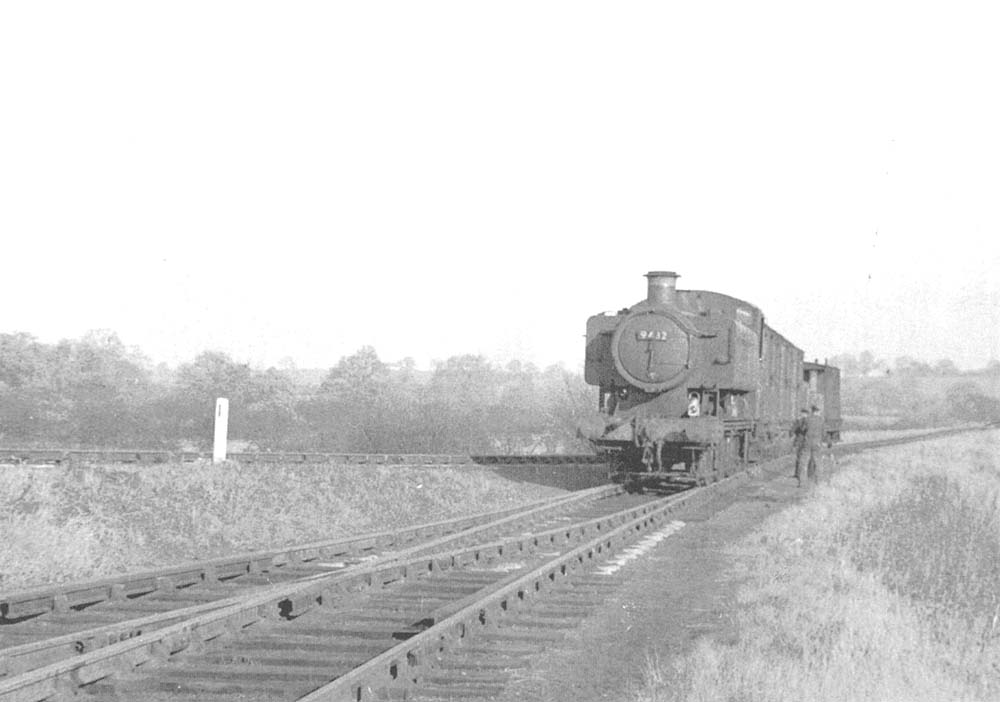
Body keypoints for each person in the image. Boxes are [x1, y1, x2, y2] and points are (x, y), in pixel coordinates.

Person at [804, 405, 825, 484]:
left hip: (808, 442)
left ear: (812, 411)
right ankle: (818, 481)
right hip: (817, 443)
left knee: (805, 461)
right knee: (818, 462)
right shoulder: (821, 420)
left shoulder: (807, 419)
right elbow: (824, 433)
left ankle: (802, 482)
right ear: (817, 411)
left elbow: (803, 429)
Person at [791, 409, 809, 485]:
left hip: (803, 441)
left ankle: (800, 475)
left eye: (803, 414)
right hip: (800, 441)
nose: (802, 415)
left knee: (801, 458)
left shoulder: (806, 421)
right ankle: (797, 474)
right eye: (802, 414)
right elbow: (793, 430)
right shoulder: (800, 421)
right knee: (799, 457)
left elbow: (802, 429)